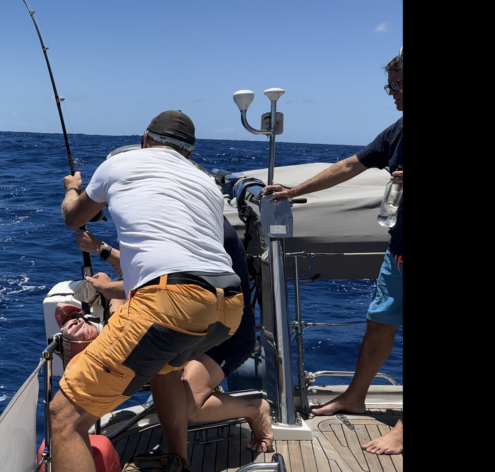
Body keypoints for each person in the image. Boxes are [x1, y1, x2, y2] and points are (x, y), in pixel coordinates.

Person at [54, 110, 245, 471]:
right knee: (164, 368)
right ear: (188, 153)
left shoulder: (118, 164)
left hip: (172, 303)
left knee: (64, 417)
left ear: (145, 139)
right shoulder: (206, 182)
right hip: (228, 305)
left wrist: (72, 188)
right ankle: (176, 462)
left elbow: (73, 217)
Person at [259, 48, 403, 455]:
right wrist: (294, 191)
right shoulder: (397, 131)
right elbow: (349, 166)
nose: (392, 92)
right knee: (379, 323)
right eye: (390, 86)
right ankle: (354, 396)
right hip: (398, 251)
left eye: (397, 84)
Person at [75, 216, 274, 452]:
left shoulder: (205, 231)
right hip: (193, 324)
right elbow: (145, 270)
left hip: (228, 334)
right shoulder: (184, 218)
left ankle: (254, 408)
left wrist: (108, 289)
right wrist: (103, 250)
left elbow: (166, 284)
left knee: (190, 406)